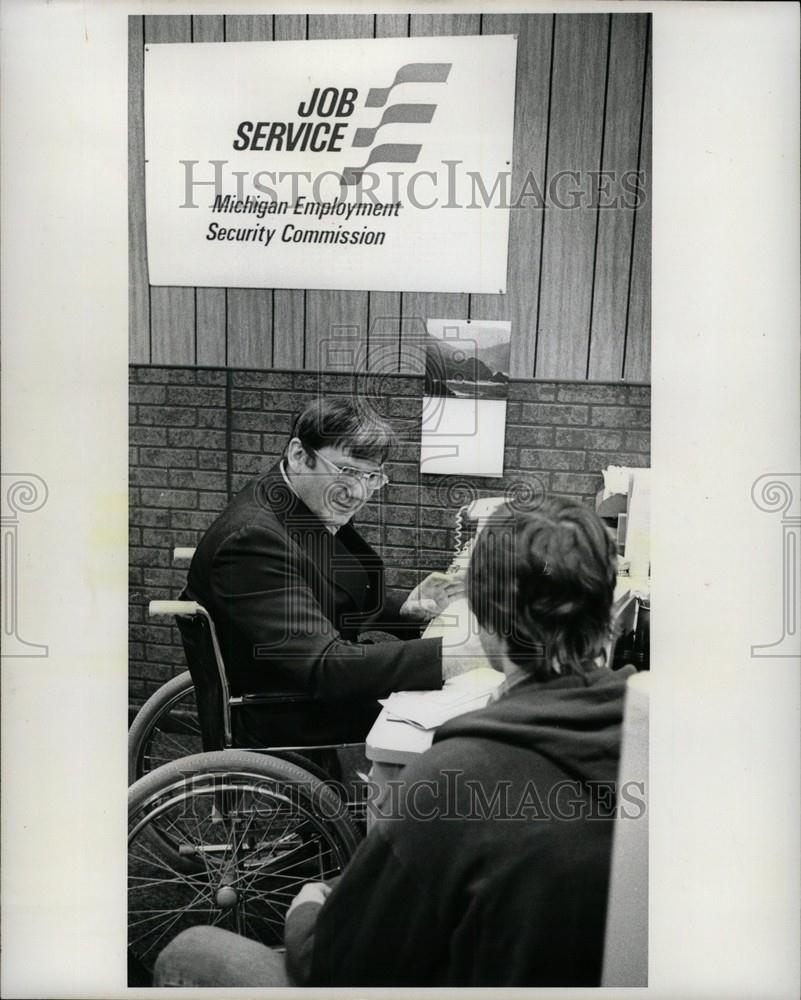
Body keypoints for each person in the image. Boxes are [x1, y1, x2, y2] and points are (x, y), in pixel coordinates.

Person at [155, 496, 639, 987]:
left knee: (191, 952)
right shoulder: (658, 745)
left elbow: (338, 965)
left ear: (486, 619)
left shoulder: (453, 775)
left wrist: (305, 910)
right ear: (609, 612)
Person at [183, 396, 471, 748]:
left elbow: (326, 590)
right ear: (299, 454)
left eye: (371, 477)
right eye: (347, 471)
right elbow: (326, 667)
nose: (359, 492)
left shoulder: (292, 499)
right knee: (460, 738)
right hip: (290, 716)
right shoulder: (252, 541)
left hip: (308, 694)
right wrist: (452, 656)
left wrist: (405, 609)